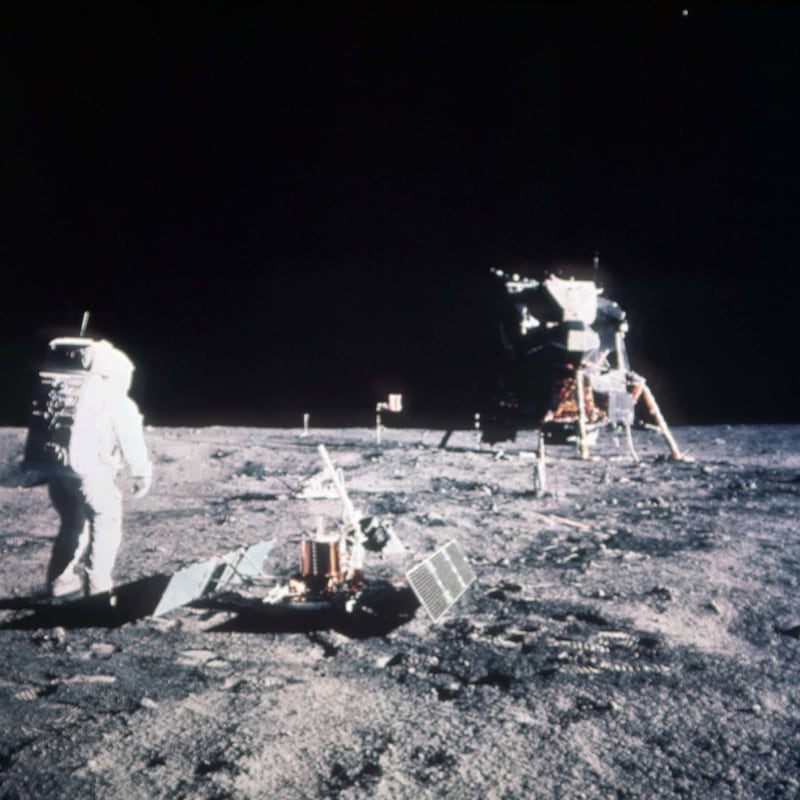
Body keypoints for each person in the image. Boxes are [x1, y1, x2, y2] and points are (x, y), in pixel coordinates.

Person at [27, 339, 153, 598]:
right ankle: (98, 591)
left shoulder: (62, 392)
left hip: (59, 474)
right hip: (91, 474)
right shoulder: (113, 398)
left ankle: (60, 583)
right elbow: (130, 439)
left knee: (73, 526)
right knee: (105, 523)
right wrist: (141, 473)